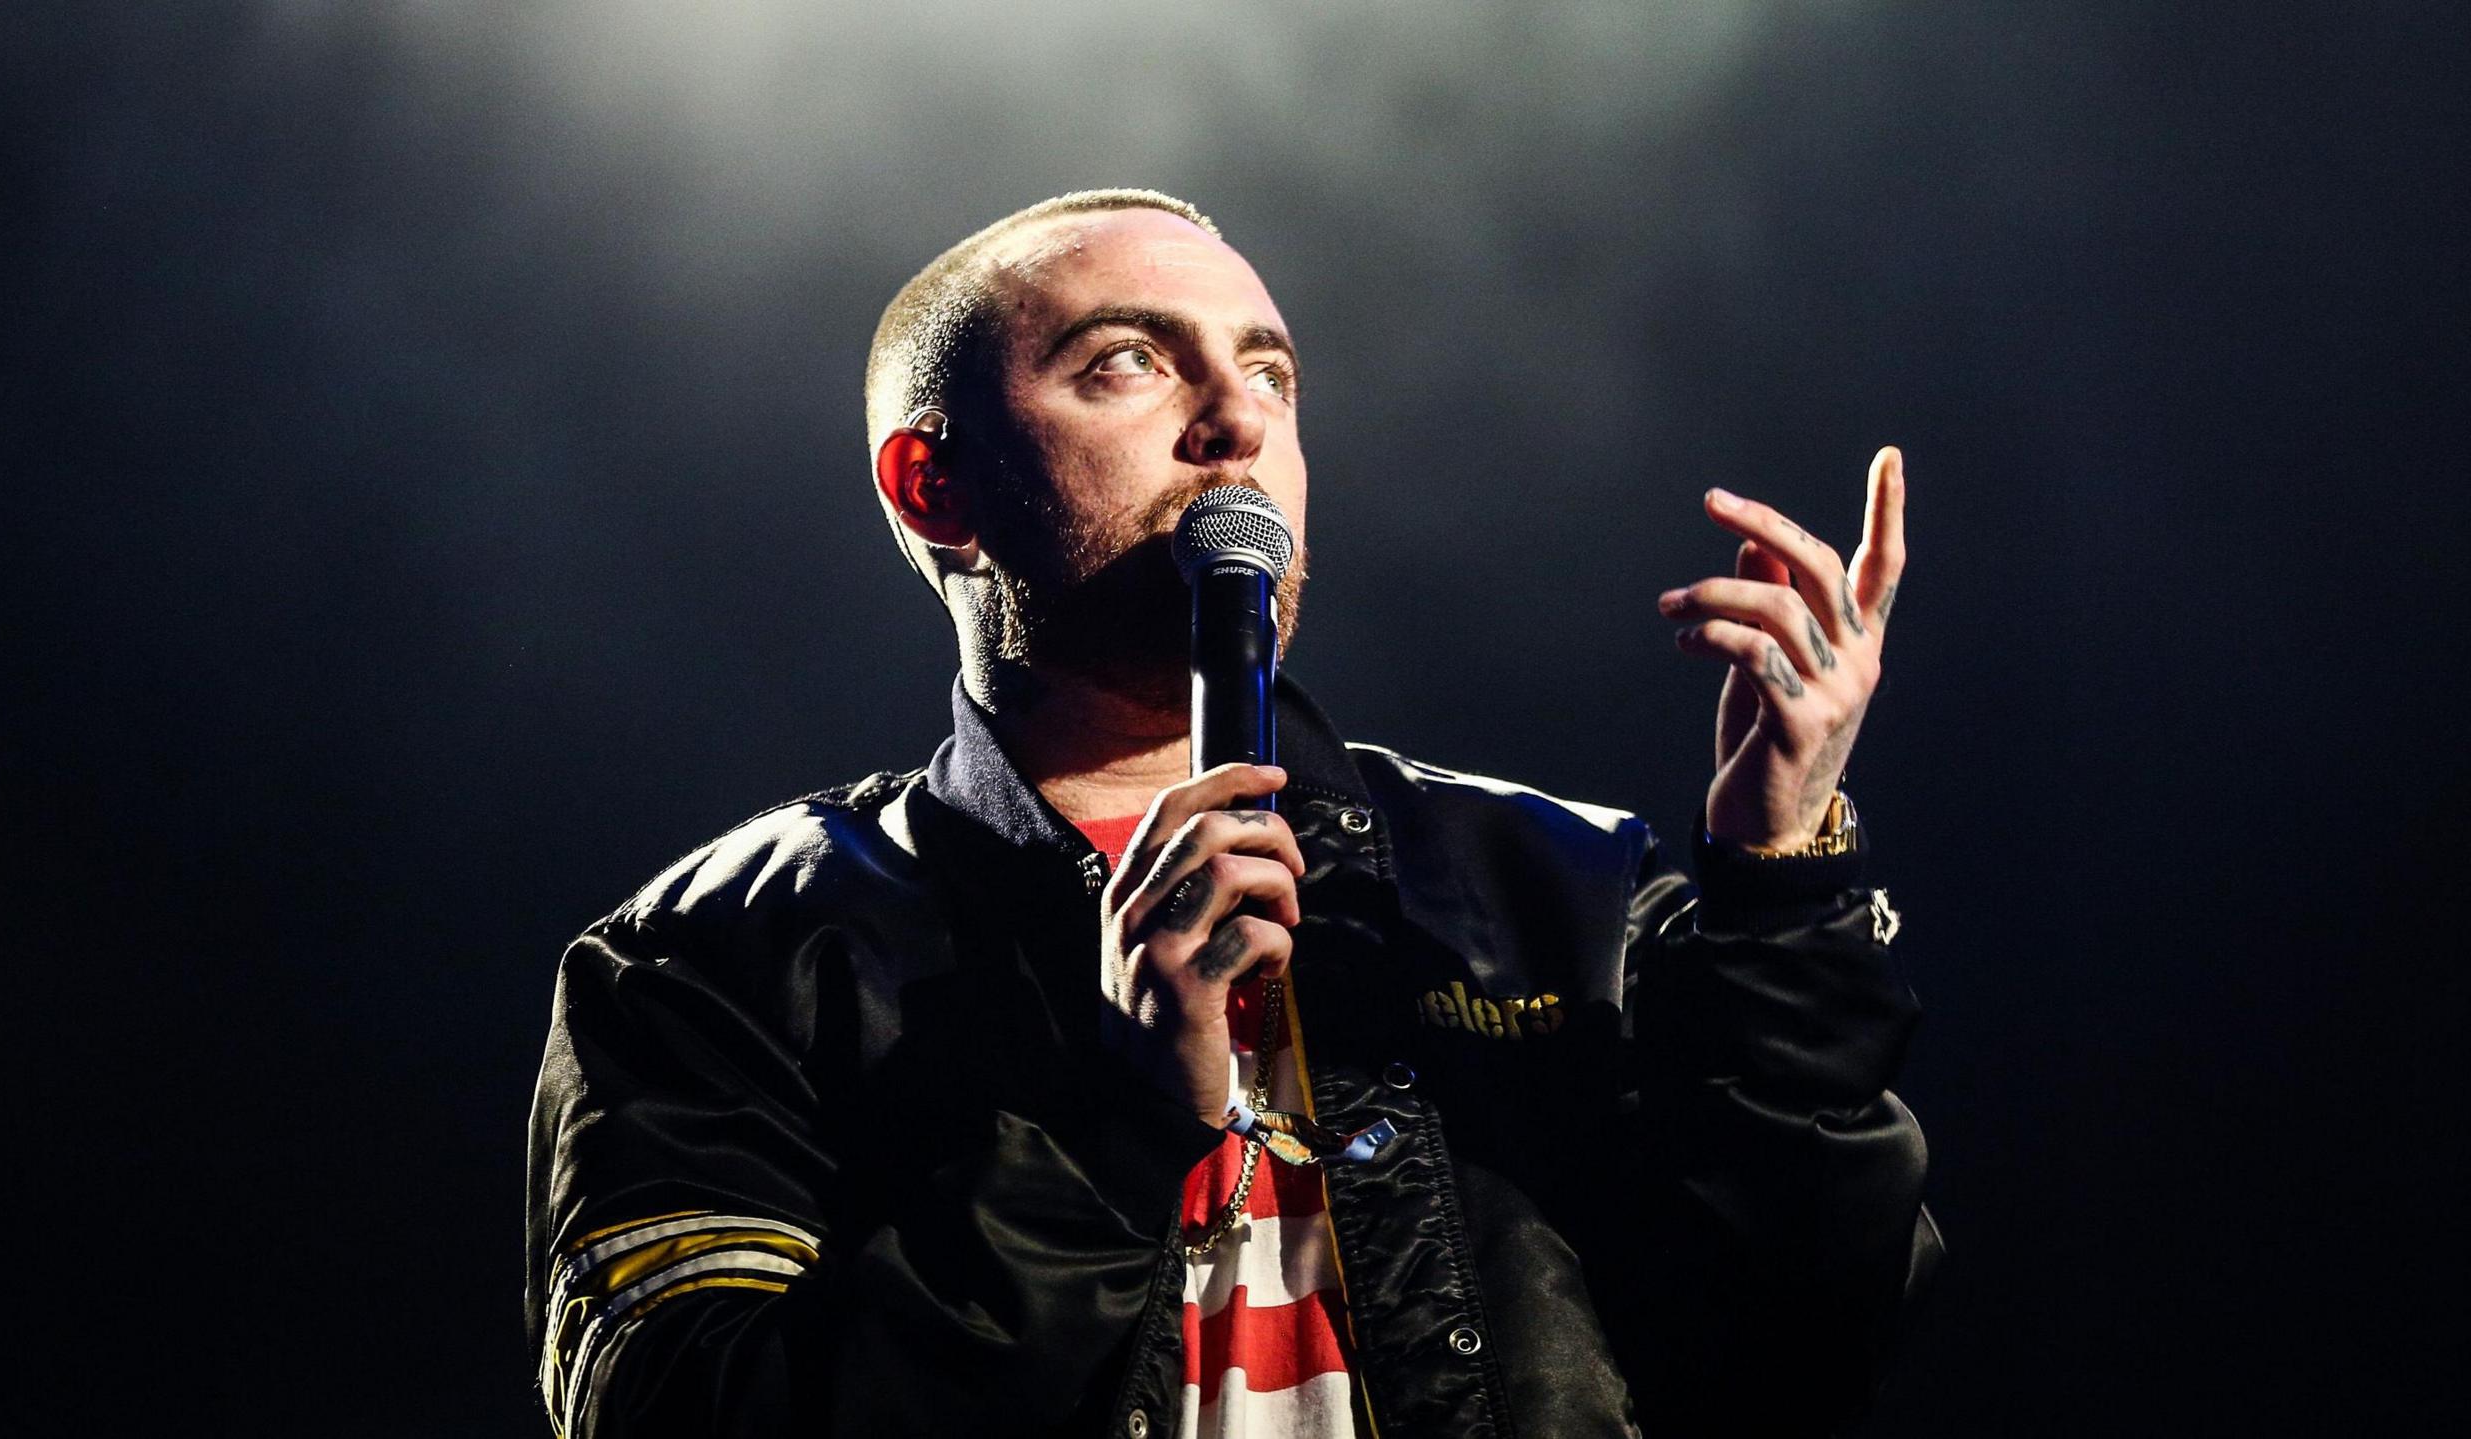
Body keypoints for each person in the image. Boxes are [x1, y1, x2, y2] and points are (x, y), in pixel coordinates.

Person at [525, 188, 1939, 1439]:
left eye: (1271, 370)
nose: (1239, 417)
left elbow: (1808, 1350)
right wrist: (1119, 1131)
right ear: (936, 486)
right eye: (1128, 363)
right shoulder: (715, 962)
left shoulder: (1557, 888)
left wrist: (1778, 890)